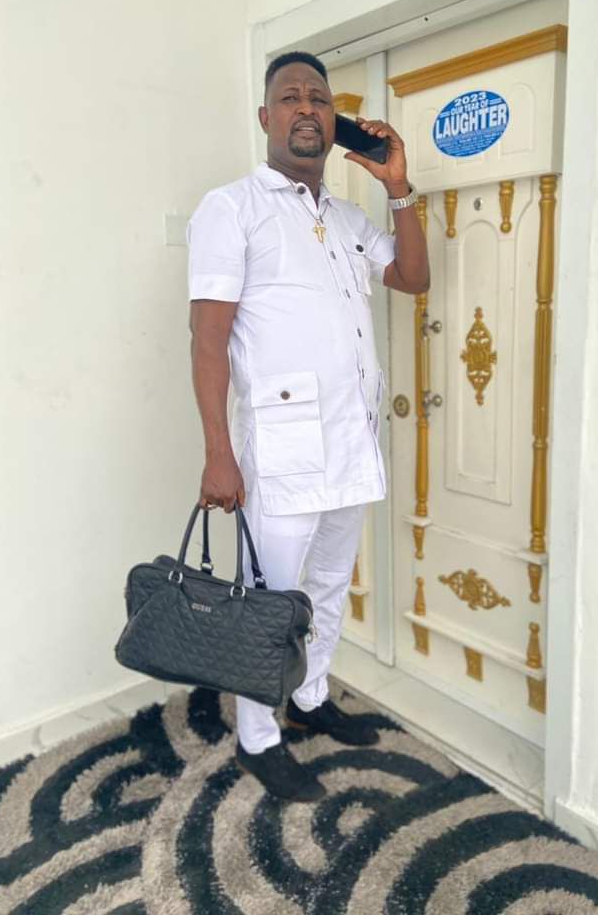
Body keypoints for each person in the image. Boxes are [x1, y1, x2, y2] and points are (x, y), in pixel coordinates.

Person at [186, 50, 429, 801]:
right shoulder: (231, 209)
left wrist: (397, 187)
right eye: (290, 97)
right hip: (282, 449)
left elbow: (414, 277)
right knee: (270, 601)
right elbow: (207, 340)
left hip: (351, 439)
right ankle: (258, 736)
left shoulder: (349, 219)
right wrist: (219, 453)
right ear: (267, 117)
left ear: (333, 120)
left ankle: (312, 696)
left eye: (318, 99)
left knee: (327, 585)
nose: (305, 108)